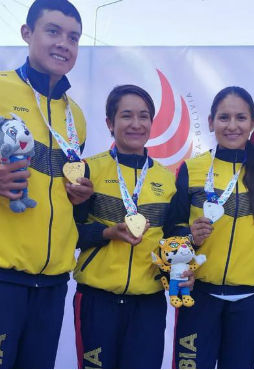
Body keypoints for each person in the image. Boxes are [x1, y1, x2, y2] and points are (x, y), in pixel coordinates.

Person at [73, 84, 194, 369]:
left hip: (147, 305)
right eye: (126, 116)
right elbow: (68, 234)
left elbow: (172, 239)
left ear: (152, 123)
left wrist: (182, 268)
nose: (136, 124)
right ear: (109, 123)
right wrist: (106, 233)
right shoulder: (88, 171)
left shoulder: (167, 179)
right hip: (97, 301)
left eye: (144, 116)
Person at [0, 0, 93, 368]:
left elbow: (61, 195)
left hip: (53, 283)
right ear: (27, 33)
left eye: (73, 37)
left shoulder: (77, 117)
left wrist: (80, 196)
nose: (63, 44)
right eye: (53, 31)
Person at [167, 86, 254, 369]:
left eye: (241, 118)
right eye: (224, 118)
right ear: (211, 121)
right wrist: (190, 236)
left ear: (253, 124)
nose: (232, 126)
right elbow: (171, 231)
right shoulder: (192, 168)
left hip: (251, 299)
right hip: (200, 296)